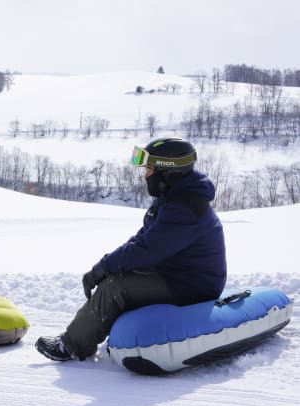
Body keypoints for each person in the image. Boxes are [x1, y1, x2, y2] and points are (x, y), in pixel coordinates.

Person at [35, 137, 227, 362]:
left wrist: (103, 269)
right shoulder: (173, 199)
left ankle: (72, 345)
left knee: (115, 287)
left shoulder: (185, 208)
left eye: (149, 169)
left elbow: (145, 251)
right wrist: (106, 264)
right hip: (176, 274)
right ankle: (105, 333)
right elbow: (140, 240)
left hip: (194, 285)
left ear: (168, 171)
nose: (146, 175)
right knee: (120, 273)